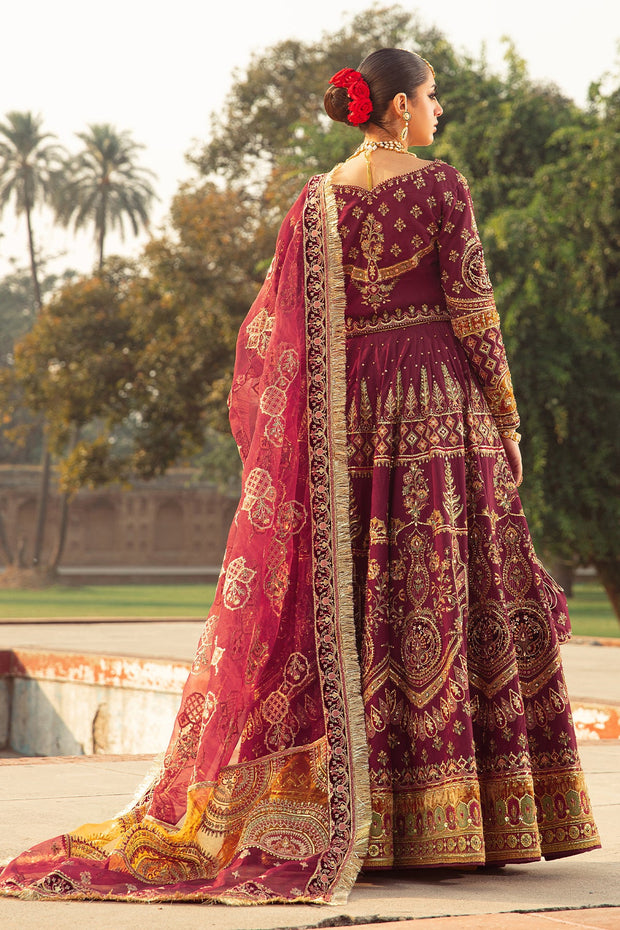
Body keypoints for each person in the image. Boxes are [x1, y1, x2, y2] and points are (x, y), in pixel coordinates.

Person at [0, 47, 600, 906]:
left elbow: (283, 333)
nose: (440, 110)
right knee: (439, 591)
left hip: (347, 423)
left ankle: (366, 817)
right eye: (432, 96)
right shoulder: (441, 188)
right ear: (396, 107)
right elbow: (473, 307)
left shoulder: (314, 204)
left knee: (356, 600)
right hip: (435, 413)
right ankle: (451, 821)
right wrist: (504, 418)